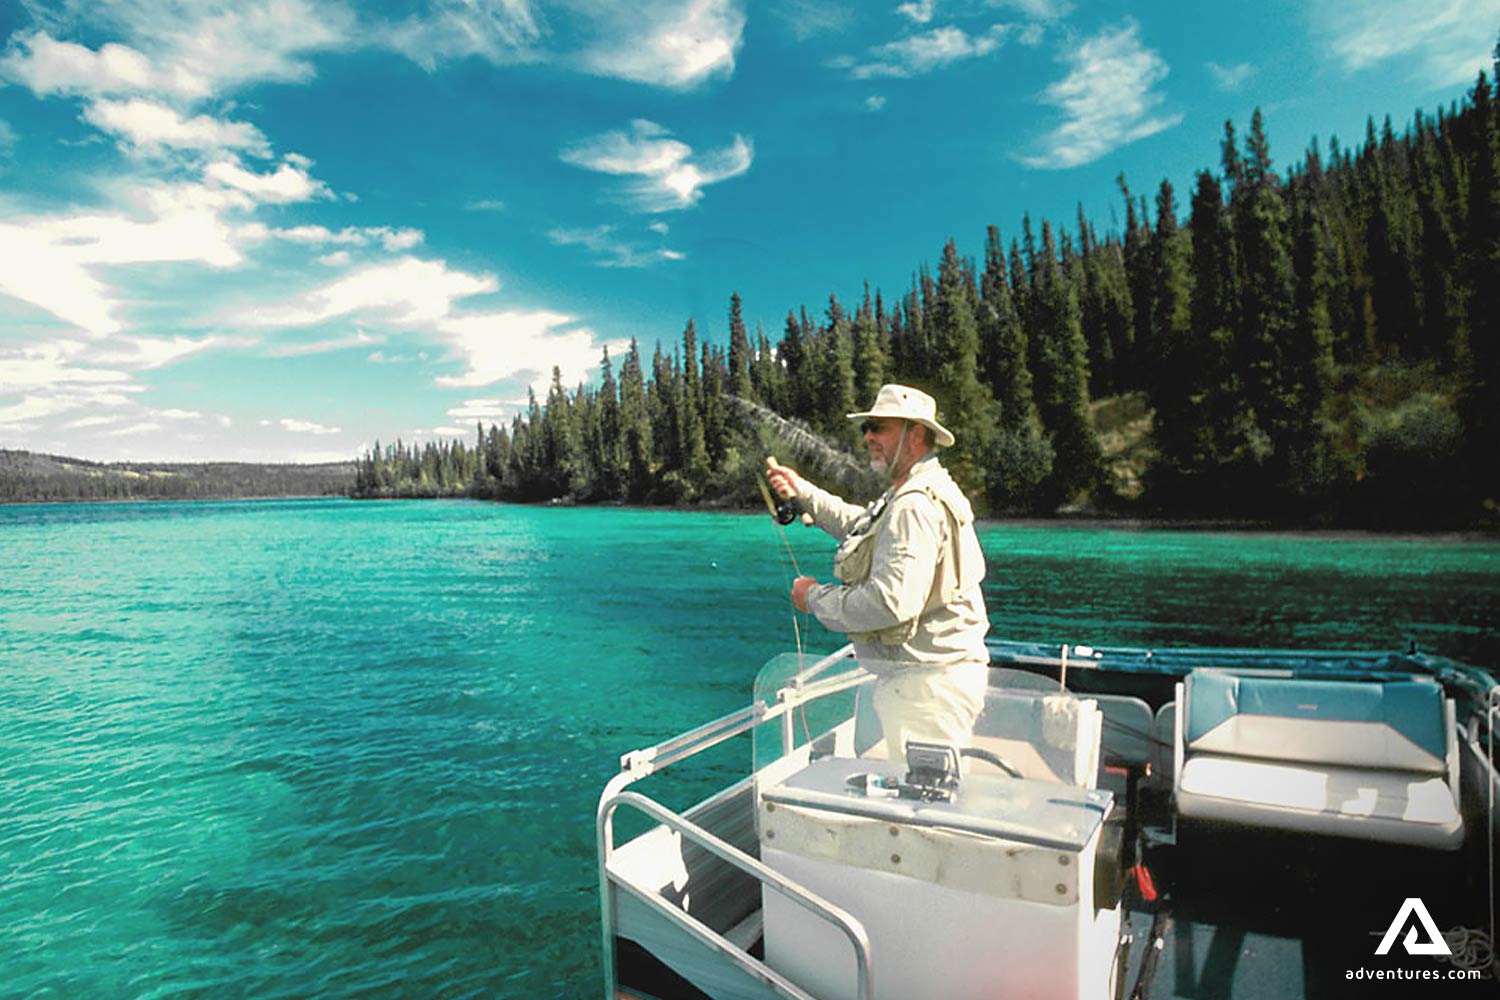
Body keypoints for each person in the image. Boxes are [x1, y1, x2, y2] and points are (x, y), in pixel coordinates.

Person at [765, 384, 990, 769]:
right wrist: (803, 492)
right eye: (866, 427)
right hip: (931, 684)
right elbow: (862, 526)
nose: (868, 436)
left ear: (915, 434)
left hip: (928, 690)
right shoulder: (917, 491)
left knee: (924, 811)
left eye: (878, 427)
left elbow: (890, 603)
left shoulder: (913, 506)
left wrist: (814, 597)